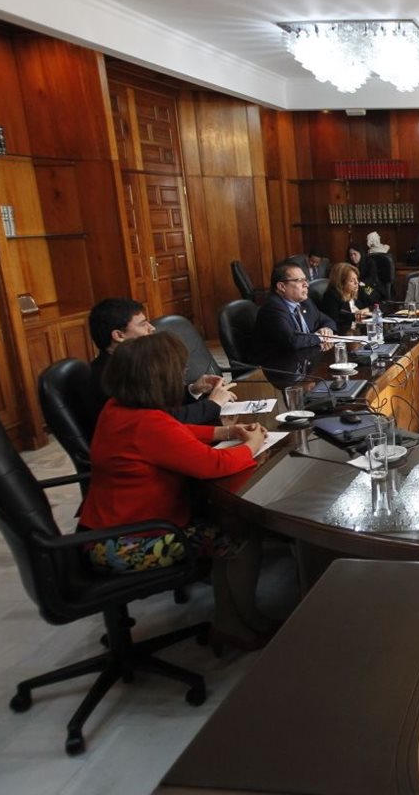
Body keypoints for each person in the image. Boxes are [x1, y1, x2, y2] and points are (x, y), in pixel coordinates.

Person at [79, 332, 277, 651]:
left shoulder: (118, 408)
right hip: (127, 543)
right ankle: (245, 622)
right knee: (238, 539)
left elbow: (175, 430)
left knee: (228, 524)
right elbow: (212, 465)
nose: (182, 376)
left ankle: (230, 624)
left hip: (101, 533)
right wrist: (252, 446)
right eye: (179, 371)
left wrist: (225, 430)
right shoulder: (146, 424)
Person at [87, 298, 234, 425]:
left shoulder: (130, 363)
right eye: (143, 324)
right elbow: (163, 420)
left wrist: (193, 390)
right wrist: (212, 404)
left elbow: (158, 403)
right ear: (119, 335)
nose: (152, 328)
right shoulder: (113, 376)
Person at [252, 261, 336, 359]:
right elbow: (292, 341)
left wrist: (327, 329)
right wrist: (320, 337)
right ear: (282, 286)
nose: (306, 285)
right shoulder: (272, 308)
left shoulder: (305, 302)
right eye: (300, 280)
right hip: (279, 365)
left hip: (305, 359)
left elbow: (327, 320)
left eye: (306, 280)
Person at [320, 261, 376, 333]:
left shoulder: (359, 290)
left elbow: (379, 302)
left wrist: (368, 309)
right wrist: (355, 317)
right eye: (352, 281)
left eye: (357, 279)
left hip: (362, 332)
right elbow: (333, 323)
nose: (357, 283)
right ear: (341, 283)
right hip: (346, 336)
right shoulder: (331, 296)